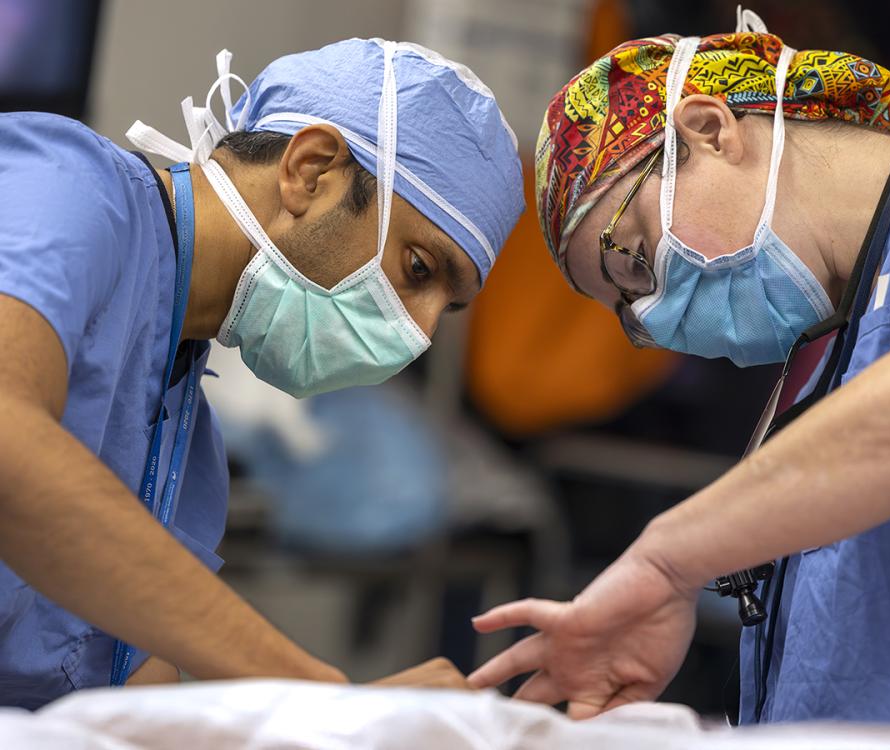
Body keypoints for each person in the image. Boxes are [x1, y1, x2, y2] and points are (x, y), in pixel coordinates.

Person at [468, 10, 890, 738]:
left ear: (711, 130)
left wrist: (667, 561)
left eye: (633, 259)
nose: (650, 323)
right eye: (627, 311)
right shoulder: (828, 359)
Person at [0, 39, 523, 708]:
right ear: (310, 171)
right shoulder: (62, 190)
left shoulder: (184, 443)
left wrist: (345, 725)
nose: (420, 332)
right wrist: (321, 695)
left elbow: (127, 697)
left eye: (444, 309)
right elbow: (11, 449)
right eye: (418, 269)